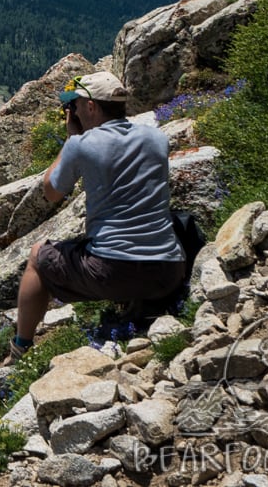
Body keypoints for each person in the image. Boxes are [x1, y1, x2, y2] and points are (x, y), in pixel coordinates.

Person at [11, 71, 185, 358]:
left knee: (37, 256)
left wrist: (70, 140)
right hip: (169, 271)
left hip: (112, 273)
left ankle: (21, 347)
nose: (73, 112)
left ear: (91, 106)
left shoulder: (81, 144)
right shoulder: (156, 137)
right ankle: (145, 306)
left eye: (75, 106)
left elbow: (51, 191)